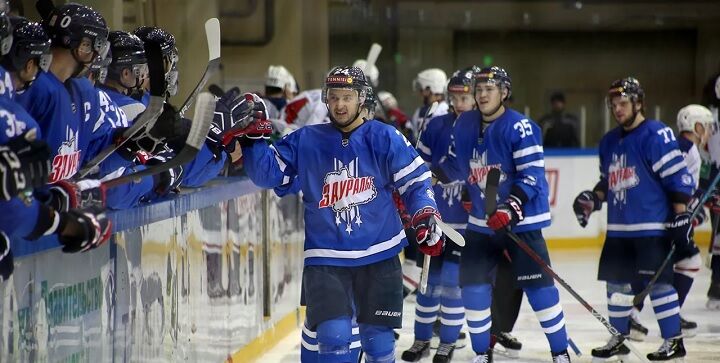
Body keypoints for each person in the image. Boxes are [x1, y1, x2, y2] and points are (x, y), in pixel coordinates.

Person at [241, 66, 443, 363]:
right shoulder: (306, 139)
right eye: (334, 97)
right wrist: (254, 138)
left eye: (347, 97)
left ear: (361, 98)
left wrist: (425, 214)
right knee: (334, 339)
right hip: (326, 259)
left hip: (380, 256)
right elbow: (267, 174)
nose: (339, 104)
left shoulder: (385, 137)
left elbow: (415, 183)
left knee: (379, 342)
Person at [449, 66, 571, 363]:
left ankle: (560, 352)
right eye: (478, 90)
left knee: (539, 290)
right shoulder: (464, 124)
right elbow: (457, 166)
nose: (482, 95)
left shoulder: (521, 127)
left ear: (503, 92)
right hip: (480, 224)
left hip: (521, 225)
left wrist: (511, 207)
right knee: (473, 289)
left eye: (489, 90)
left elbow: (531, 176)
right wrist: (428, 177)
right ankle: (481, 353)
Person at [573, 77, 692, 361]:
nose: (617, 109)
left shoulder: (656, 134)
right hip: (618, 231)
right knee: (615, 287)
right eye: (613, 104)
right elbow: (608, 182)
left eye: (623, 103)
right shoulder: (609, 141)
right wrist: (593, 199)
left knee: (660, 286)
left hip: (651, 228)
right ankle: (618, 337)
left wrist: (681, 218)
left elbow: (677, 181)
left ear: (639, 103)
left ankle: (674, 341)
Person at [401, 67, 476, 363]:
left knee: (452, 285)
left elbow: (472, 168)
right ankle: (422, 340)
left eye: (465, 96)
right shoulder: (435, 125)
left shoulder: (483, 128)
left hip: (466, 225)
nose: (459, 103)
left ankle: (447, 342)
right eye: (454, 96)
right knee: (428, 285)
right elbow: (419, 165)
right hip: (435, 218)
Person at [627, 104, 712, 340]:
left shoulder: (688, 148)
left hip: (667, 216)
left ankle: (661, 313)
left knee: (683, 261)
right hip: (664, 218)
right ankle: (631, 314)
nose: (708, 132)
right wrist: (685, 211)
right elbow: (673, 183)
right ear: (696, 126)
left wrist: (699, 204)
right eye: (705, 127)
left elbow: (687, 187)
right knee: (659, 265)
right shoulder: (685, 148)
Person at [409, 68, 449, 143]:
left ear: (429, 89)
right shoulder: (420, 111)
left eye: (422, 90)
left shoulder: (445, 111)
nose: (420, 93)